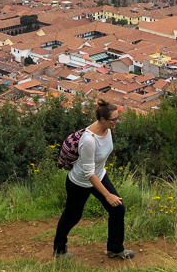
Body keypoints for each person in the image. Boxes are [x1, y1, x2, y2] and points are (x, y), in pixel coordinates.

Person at [53, 98, 134, 260]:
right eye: (114, 119)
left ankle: (115, 249)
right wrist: (107, 195)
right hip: (80, 182)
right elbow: (89, 173)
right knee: (72, 215)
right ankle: (59, 250)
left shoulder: (107, 129)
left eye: (118, 118)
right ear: (102, 120)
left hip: (99, 175)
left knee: (118, 209)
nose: (116, 122)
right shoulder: (89, 140)